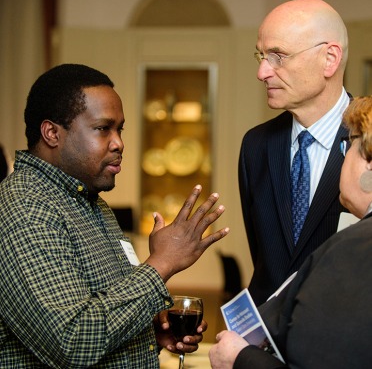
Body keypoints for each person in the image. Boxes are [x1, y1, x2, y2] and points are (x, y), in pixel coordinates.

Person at [0, 63, 230, 367]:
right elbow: (72, 341)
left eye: (119, 129)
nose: (119, 142)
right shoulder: (25, 207)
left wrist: (148, 336)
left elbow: (102, 311)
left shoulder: (91, 202)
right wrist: (161, 264)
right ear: (52, 133)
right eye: (102, 128)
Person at [209, 96, 372, 368]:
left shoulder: (355, 247)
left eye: (348, 146)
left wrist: (240, 358)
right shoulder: (256, 145)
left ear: (368, 163)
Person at [238, 0, 351, 305]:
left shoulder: (366, 139)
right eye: (261, 56)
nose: (262, 72)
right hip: (266, 346)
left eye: (278, 56)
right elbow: (265, 263)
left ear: (329, 59)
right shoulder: (256, 146)